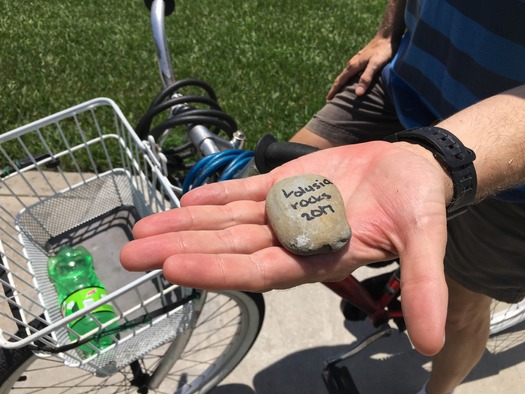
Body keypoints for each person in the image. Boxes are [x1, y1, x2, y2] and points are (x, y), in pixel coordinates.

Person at [121, 1, 525, 393]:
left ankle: (439, 390)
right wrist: (388, 31)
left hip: (505, 149)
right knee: (268, 180)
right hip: (405, 79)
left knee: (458, 314)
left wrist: (437, 157)